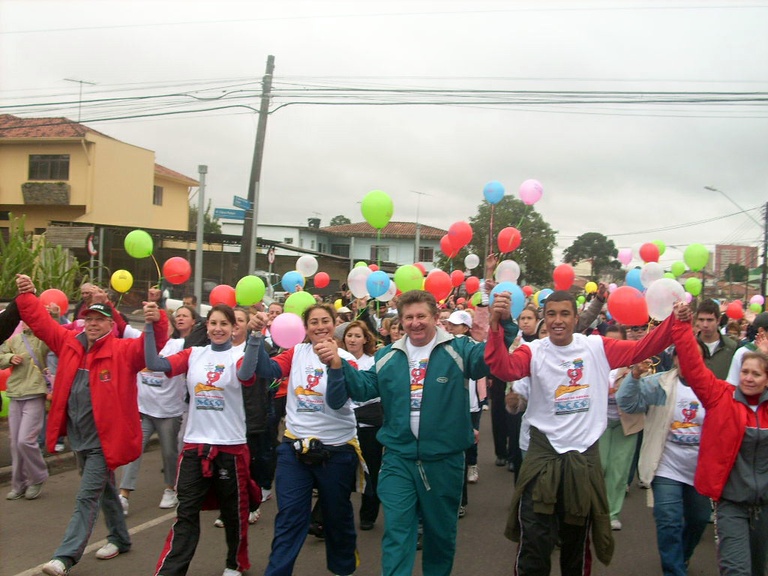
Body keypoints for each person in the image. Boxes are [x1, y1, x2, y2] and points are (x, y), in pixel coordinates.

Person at [484, 290, 678, 576]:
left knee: (575, 548)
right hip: (542, 458)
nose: (558, 321)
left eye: (565, 314)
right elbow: (504, 368)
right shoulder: (534, 350)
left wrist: (676, 320)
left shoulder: (596, 347)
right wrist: (495, 326)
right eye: (551, 314)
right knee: (535, 545)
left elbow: (641, 350)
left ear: (577, 318)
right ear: (543, 319)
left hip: (583, 461)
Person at [327, 289, 515, 576]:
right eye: (408, 318)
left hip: (444, 460)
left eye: (421, 316)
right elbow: (365, 387)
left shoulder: (459, 348)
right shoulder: (389, 355)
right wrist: (339, 366)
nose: (415, 323)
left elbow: (490, 358)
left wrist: (501, 324)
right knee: (398, 533)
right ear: (401, 321)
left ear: (435, 317)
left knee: (440, 537)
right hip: (398, 459)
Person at [13, 274, 169, 576]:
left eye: (100, 320)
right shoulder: (69, 344)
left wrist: (157, 319)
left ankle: (65, 557)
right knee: (105, 489)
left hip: (103, 442)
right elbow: (43, 325)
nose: (93, 324)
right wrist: (28, 295)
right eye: (89, 319)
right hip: (78, 438)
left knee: (86, 496)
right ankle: (121, 537)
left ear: (112, 325)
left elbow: (154, 346)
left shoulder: (123, 352)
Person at [242, 303, 361, 576]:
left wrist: (333, 363)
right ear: (305, 329)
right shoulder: (296, 352)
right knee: (289, 519)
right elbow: (267, 370)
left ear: (335, 325)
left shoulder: (347, 359)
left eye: (325, 321)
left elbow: (336, 400)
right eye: (313, 322)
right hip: (294, 449)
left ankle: (343, 568)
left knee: (337, 518)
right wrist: (256, 337)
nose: (320, 327)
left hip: (337, 452)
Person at [147, 304, 258, 576]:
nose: (218, 328)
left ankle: (234, 562)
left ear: (233, 329)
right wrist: (149, 327)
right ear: (206, 327)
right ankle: (171, 570)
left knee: (234, 513)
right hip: (195, 445)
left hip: (230, 446)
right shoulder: (194, 354)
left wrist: (255, 338)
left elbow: (245, 376)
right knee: (186, 512)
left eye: (224, 324)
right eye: (213, 323)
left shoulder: (240, 354)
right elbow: (155, 364)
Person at [671, 303, 768, 576]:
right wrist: (682, 326)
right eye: (745, 372)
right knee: (737, 570)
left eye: (756, 374)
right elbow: (692, 365)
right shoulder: (720, 396)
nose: (748, 378)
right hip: (731, 506)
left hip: (765, 508)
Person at [616, 341, 711, 576]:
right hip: (666, 467)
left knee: (699, 519)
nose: (688, 359)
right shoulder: (659, 384)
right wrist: (635, 377)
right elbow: (627, 403)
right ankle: (674, 570)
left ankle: (681, 557)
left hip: (700, 470)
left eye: (694, 355)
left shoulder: (714, 389)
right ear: (675, 359)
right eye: (683, 355)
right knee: (668, 520)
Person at [118, 308, 186, 516]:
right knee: (133, 451)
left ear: (171, 327)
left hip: (169, 412)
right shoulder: (141, 339)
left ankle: (170, 488)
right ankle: (123, 495)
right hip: (144, 411)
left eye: (164, 324)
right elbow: (120, 325)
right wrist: (106, 303)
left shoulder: (179, 345)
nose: (159, 327)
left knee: (169, 452)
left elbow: (202, 337)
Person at [0, 321, 50, 500]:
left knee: (25, 441)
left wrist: (53, 317)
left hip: (35, 393)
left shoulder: (41, 339)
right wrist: (9, 358)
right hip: (15, 394)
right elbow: (1, 356)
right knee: (15, 443)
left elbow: (55, 339)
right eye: (24, 319)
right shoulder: (14, 340)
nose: (27, 322)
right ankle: (19, 484)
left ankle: (37, 477)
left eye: (31, 318)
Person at [342, 320, 382, 531]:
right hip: (344, 426)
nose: (353, 340)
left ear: (366, 339)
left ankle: (368, 513)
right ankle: (327, 516)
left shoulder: (373, 362)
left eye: (357, 336)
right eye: (349, 335)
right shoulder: (338, 360)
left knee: (371, 470)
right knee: (341, 472)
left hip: (369, 426)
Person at [444, 309, 485, 515]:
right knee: (454, 454)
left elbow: (483, 368)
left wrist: (482, 399)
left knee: (467, 447)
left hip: (471, 406)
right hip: (453, 406)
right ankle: (455, 499)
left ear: (466, 328)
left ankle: (462, 496)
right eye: (449, 324)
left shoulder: (472, 347)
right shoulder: (444, 345)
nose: (450, 327)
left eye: (455, 325)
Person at [695, 298, 737, 379]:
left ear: (718, 320)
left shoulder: (731, 347)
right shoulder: (689, 346)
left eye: (710, 320)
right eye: (701, 320)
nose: (705, 325)